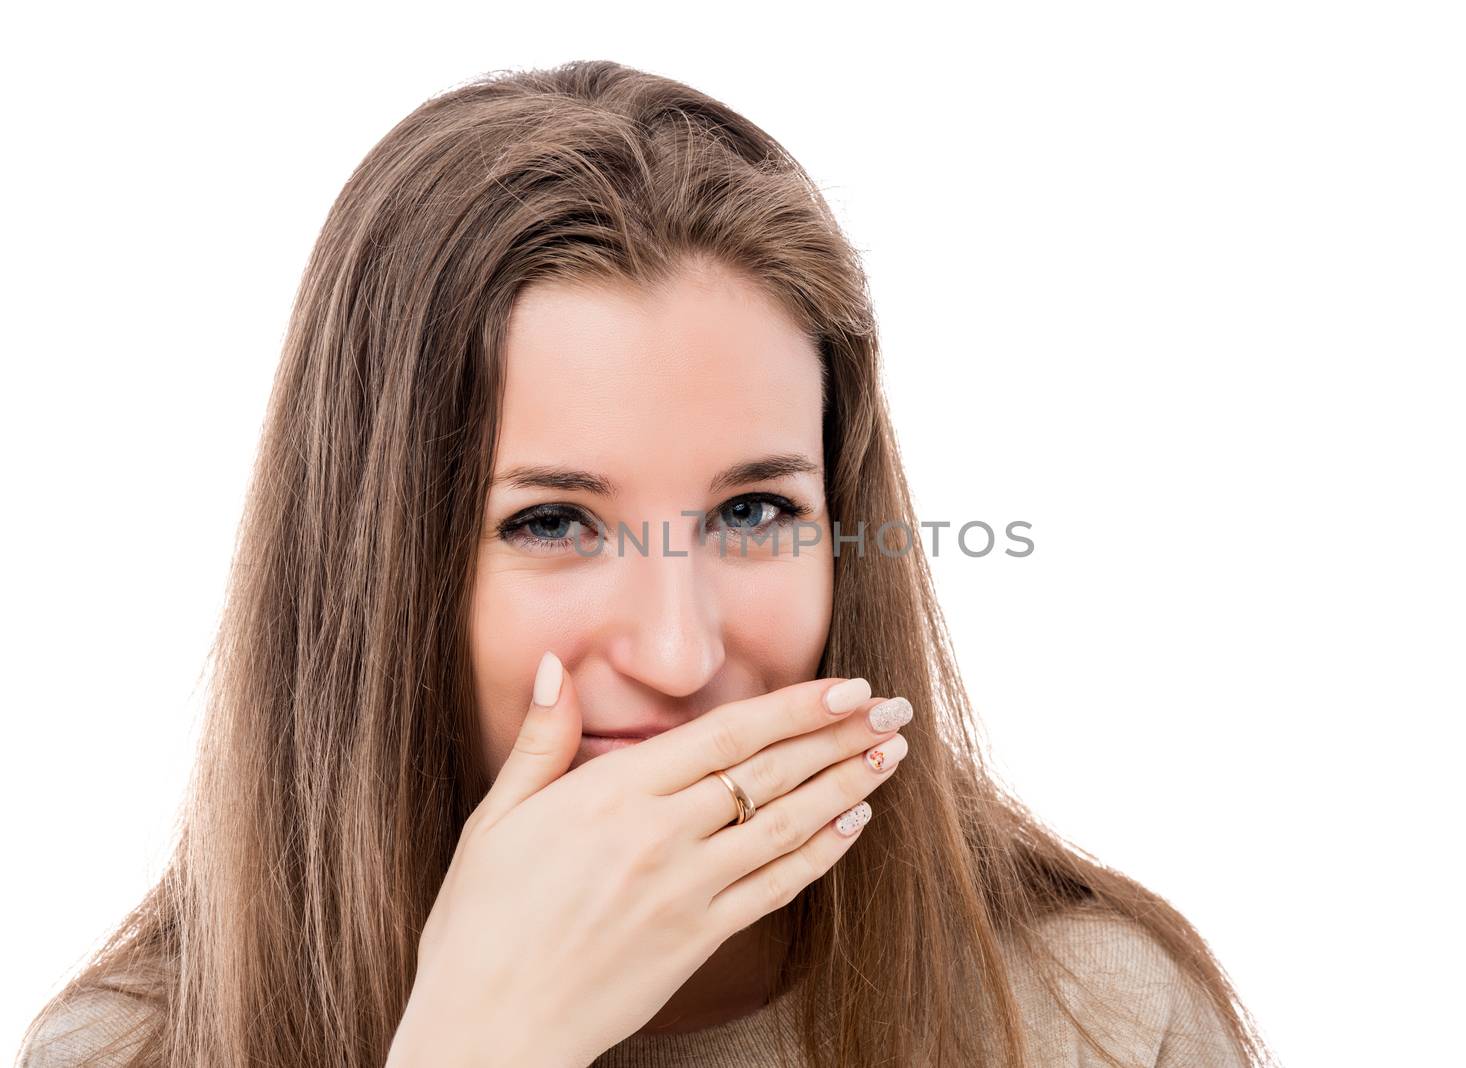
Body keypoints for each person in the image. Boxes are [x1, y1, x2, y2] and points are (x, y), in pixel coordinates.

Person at [17, 60, 1275, 1067]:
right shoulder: (133, 1050)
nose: (679, 654)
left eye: (753, 513)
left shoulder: (1100, 1019)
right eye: (553, 524)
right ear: (371, 582)